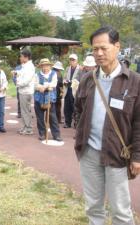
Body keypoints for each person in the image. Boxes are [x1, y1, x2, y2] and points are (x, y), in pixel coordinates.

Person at [75, 26, 140, 225]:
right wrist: (81, 136)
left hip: (118, 153)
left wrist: (137, 156)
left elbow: (139, 122)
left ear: (117, 46)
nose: (99, 53)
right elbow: (78, 110)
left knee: (120, 209)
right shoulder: (87, 79)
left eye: (104, 48)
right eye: (95, 49)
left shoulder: (134, 82)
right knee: (93, 206)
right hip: (90, 152)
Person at [34, 58, 62, 141]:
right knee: (40, 117)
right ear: (41, 66)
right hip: (39, 98)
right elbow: (35, 85)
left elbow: (54, 84)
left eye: (47, 65)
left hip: (50, 98)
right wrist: (40, 87)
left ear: (49, 66)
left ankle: (56, 135)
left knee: (52, 117)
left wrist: (44, 86)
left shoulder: (53, 74)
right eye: (43, 66)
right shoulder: (37, 74)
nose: (45, 67)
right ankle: (42, 134)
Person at [13, 49, 35, 135]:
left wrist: (18, 84)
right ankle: (25, 126)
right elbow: (22, 74)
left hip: (25, 91)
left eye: (21, 56)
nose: (20, 58)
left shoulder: (29, 67)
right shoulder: (25, 65)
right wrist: (16, 72)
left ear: (26, 57)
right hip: (24, 91)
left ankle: (28, 128)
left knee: (25, 111)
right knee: (24, 110)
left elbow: (26, 80)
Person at [63, 53, 82, 128]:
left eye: (73, 60)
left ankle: (76, 123)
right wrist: (65, 81)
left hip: (75, 90)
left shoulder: (80, 69)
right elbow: (64, 77)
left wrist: (73, 82)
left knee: (75, 107)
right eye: (70, 60)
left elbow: (80, 79)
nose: (72, 61)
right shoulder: (68, 68)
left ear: (77, 61)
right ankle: (67, 123)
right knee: (66, 107)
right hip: (67, 89)